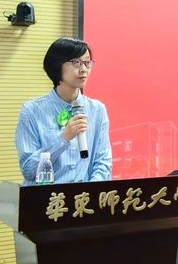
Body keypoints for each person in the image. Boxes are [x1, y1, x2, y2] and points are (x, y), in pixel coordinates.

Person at [15, 37, 112, 185]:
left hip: (83, 197)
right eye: (76, 62)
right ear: (57, 64)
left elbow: (103, 163)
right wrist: (64, 138)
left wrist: (91, 192)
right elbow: (29, 170)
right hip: (46, 197)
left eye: (87, 63)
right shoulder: (31, 111)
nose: (84, 69)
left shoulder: (97, 110)